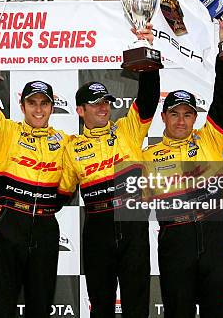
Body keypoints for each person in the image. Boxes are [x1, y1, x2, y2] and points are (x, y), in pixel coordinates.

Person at [57, 24, 159, 317]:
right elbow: (61, 194)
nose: (103, 108)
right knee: (100, 304)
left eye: (106, 102)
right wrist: (15, 208)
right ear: (80, 111)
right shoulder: (72, 147)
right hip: (97, 227)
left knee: (136, 303)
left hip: (132, 223)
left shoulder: (129, 129)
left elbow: (149, 97)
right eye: (95, 104)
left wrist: (148, 54)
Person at [0, 42, 72, 318]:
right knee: (1, 305)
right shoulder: (7, 132)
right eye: (32, 103)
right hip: (11, 226)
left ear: (52, 107)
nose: (38, 109)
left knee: (40, 305)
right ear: (22, 105)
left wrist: (46, 205)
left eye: (44, 103)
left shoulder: (65, 142)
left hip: (46, 228)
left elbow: (69, 188)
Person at [141, 21, 223, 317]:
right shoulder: (148, 156)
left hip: (212, 237)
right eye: (175, 114)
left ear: (195, 118)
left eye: (188, 114)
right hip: (175, 240)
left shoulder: (210, 140)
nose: (181, 120)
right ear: (164, 116)